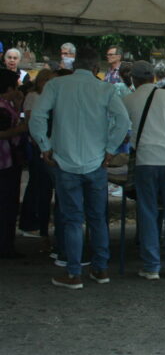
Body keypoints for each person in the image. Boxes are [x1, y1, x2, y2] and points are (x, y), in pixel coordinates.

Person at [28, 48, 131, 287]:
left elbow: (37, 117)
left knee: (73, 219)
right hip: (97, 162)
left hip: (64, 162)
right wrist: (110, 149)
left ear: (74, 66)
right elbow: (123, 120)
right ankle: (101, 269)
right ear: (96, 68)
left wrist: (45, 145)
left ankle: (74, 273)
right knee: (97, 218)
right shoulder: (105, 88)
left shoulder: (57, 86)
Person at [123, 61, 165, 280]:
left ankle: (151, 266)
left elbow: (123, 131)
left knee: (148, 212)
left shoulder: (128, 99)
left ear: (133, 78)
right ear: (154, 77)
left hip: (145, 160)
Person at [18, 70, 57, 239]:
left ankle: (41, 223)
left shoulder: (53, 97)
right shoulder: (33, 96)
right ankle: (30, 222)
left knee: (44, 186)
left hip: (49, 144)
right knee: (37, 184)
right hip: (38, 145)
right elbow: (30, 120)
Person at [0, 69, 26, 258]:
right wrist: (22, 127)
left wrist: (17, 107)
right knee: (6, 204)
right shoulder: (1, 107)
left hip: (9, 161)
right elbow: (3, 133)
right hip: (5, 162)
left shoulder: (7, 105)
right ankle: (5, 246)